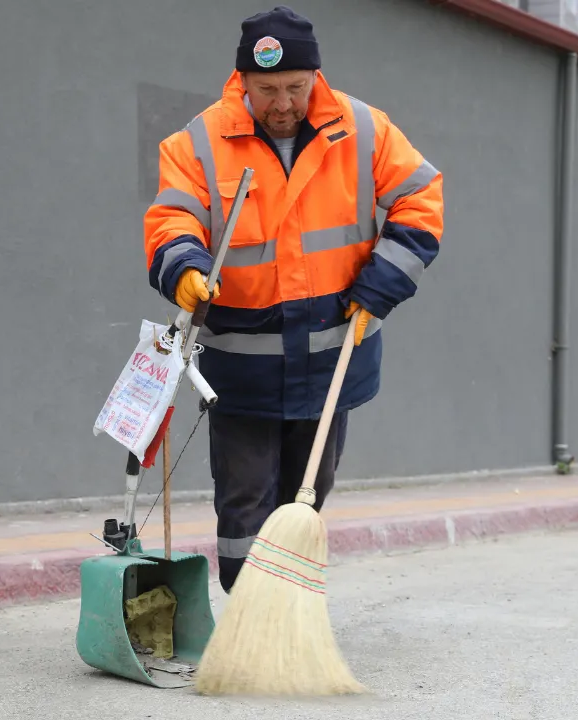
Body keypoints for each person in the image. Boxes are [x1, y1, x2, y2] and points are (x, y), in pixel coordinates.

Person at [143, 5, 444, 593]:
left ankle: (287, 608)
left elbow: (420, 198)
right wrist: (184, 266)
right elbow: (173, 217)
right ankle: (249, 611)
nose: (282, 103)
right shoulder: (198, 142)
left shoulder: (365, 130)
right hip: (241, 363)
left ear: (315, 78)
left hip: (332, 353)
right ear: (243, 83)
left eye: (294, 88)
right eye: (267, 90)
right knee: (244, 496)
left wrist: (382, 283)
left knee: (309, 491)